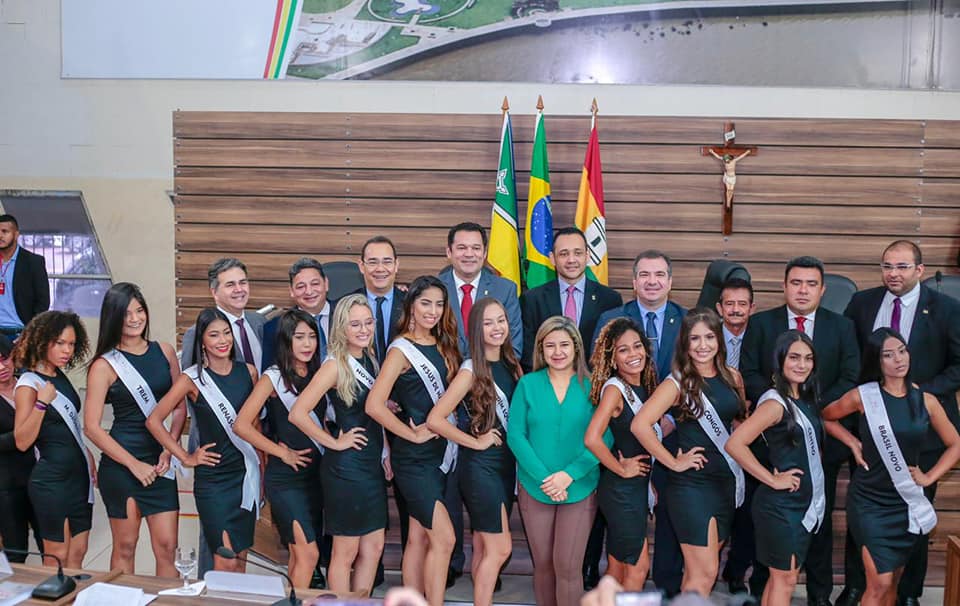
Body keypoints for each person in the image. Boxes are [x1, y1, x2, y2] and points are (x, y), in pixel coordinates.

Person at [839, 240, 960, 606]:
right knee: (863, 518)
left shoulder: (946, 309)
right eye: (888, 266)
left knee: (916, 517)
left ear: (919, 271)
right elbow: (851, 359)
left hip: (920, 435)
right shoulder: (862, 304)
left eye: (903, 266)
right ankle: (857, 587)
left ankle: (908, 593)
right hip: (872, 432)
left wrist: (922, 392)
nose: (894, 273)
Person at [740, 255, 860, 606]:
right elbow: (748, 372)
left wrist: (814, 413)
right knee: (775, 543)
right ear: (784, 286)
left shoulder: (841, 327)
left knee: (819, 526)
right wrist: (783, 406)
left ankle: (819, 597)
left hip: (822, 443)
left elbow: (850, 377)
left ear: (823, 289)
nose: (803, 289)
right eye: (796, 282)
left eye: (811, 284)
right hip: (771, 447)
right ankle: (762, 591)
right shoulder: (762, 324)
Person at [822, 328, 960, 606]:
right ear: (877, 361)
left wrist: (929, 476)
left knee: (893, 582)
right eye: (888, 354)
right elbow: (826, 416)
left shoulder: (926, 401)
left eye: (902, 350)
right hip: (870, 502)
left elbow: (956, 443)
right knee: (878, 583)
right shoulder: (863, 396)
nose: (899, 359)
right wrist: (852, 441)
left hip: (906, 503)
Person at [633, 308, 747, 598]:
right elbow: (641, 425)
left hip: (726, 483)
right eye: (694, 338)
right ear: (684, 343)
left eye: (709, 337)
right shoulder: (676, 383)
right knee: (704, 574)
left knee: (700, 576)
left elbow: (738, 421)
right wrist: (672, 461)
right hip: (691, 486)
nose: (702, 345)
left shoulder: (733, 377)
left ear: (719, 340)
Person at [593, 249, 687, 596]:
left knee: (624, 558)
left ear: (670, 281)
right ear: (633, 282)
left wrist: (667, 424)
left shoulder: (685, 320)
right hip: (625, 469)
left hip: (662, 446)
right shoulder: (612, 319)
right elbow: (592, 435)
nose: (652, 281)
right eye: (644, 275)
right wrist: (618, 467)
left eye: (659, 274)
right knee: (634, 561)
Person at [365, 275, 459, 606]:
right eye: (425, 303)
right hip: (414, 460)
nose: (432, 311)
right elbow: (375, 404)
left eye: (439, 304)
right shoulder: (401, 349)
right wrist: (410, 433)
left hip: (441, 456)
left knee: (418, 537)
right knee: (444, 539)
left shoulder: (445, 343)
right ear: (411, 306)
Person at [438, 222, 522, 584]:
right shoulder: (435, 288)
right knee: (492, 541)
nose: (469, 253)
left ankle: (484, 582)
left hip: (500, 450)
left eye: (476, 247)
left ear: (485, 252)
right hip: (464, 427)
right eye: (462, 247)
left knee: (491, 542)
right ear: (449, 251)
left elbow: (513, 342)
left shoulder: (505, 289)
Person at [146, 308, 260, 573]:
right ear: (202, 342)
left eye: (226, 333)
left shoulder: (250, 373)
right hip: (214, 482)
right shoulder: (191, 379)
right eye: (214, 335)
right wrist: (185, 457)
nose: (222, 340)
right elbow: (154, 420)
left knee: (240, 558)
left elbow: (253, 426)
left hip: (245, 477)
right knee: (225, 558)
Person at [82, 283, 185, 576]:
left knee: (168, 548)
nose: (135, 319)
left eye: (139, 310)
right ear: (114, 317)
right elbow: (91, 427)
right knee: (126, 547)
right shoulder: (104, 365)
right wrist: (134, 464)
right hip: (123, 465)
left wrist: (170, 448)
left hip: (160, 462)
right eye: (126, 314)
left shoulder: (164, 352)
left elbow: (179, 408)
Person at [289, 295, 389, 595]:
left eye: (368, 323)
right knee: (346, 552)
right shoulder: (335, 364)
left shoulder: (370, 359)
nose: (363, 329)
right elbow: (298, 413)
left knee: (373, 547)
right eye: (355, 324)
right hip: (346, 470)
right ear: (341, 328)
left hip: (370, 465)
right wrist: (334, 441)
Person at [426, 297, 522, 606]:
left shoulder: (511, 364)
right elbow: (435, 419)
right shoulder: (471, 370)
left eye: (501, 321)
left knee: (484, 547)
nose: (497, 328)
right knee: (500, 549)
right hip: (480, 468)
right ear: (475, 330)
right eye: (488, 323)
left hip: (505, 467)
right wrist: (475, 441)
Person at [507, 315, 602, 606]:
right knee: (544, 565)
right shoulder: (528, 384)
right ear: (541, 349)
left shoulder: (594, 385)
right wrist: (546, 479)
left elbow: (605, 437)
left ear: (576, 347)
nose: (557, 352)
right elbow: (516, 435)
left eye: (564, 344)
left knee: (568, 567)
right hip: (536, 486)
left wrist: (568, 475)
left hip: (579, 486)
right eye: (550, 345)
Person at [726, 330, 825, 606]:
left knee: (783, 578)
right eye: (794, 357)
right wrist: (771, 478)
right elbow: (735, 444)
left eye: (808, 358)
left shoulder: (803, 398)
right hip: (780, 507)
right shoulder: (774, 402)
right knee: (785, 580)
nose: (802, 364)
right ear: (779, 361)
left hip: (799, 505)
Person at [232, 309, 324, 589]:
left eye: (311, 337)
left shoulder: (318, 373)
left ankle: (293, 599)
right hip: (285, 479)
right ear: (286, 340)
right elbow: (242, 425)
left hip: (314, 477)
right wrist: (279, 451)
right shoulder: (273, 378)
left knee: (300, 556)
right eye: (299, 337)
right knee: (310, 555)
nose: (307, 344)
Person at [583, 317, 663, 591]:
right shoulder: (616, 390)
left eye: (637, 346)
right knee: (638, 569)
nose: (633, 354)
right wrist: (620, 468)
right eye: (623, 349)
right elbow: (592, 438)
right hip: (621, 490)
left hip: (633, 490)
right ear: (613, 358)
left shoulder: (645, 386)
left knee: (616, 569)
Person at [13, 310, 94, 569]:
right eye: (60, 343)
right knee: (57, 556)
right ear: (42, 341)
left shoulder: (59, 376)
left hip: (77, 477)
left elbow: (67, 428)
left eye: (71, 344)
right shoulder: (29, 384)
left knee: (78, 553)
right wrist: (41, 404)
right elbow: (22, 441)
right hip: (51, 480)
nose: (67, 350)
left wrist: (87, 453)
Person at [520, 226, 622, 370]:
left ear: (587, 256)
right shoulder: (532, 299)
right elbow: (529, 351)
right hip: (548, 384)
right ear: (552, 258)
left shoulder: (610, 300)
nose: (571, 260)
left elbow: (612, 350)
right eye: (563, 254)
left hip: (593, 385)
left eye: (578, 253)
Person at [714, 276, 757, 594]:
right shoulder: (705, 337)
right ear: (719, 308)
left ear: (752, 308)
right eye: (729, 303)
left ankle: (735, 572)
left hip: (750, 435)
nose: (736, 309)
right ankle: (703, 568)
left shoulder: (763, 336)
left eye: (742, 304)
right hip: (707, 435)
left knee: (745, 510)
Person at [181, 258, 265, 371]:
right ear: (214, 292)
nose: (239, 289)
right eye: (230, 285)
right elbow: (191, 379)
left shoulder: (261, 321)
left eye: (243, 282)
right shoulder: (196, 332)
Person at [0, 334, 39, 562]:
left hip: (42, 478)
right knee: (16, 551)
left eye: (4, 359)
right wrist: (22, 436)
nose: (2, 367)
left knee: (51, 545)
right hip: (8, 485)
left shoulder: (30, 384)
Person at [263, 257, 335, 368]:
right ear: (291, 291)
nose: (309, 291)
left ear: (326, 284)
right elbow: (271, 374)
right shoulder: (275, 328)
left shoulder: (349, 316)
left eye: (315, 284)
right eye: (301, 286)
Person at [0, 214, 50, 341]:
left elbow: (43, 302)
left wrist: (29, 333)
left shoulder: (33, 262)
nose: (0, 236)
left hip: (20, 334)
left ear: (16, 235)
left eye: (5, 231)